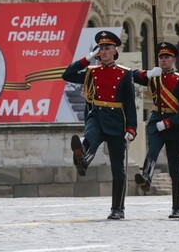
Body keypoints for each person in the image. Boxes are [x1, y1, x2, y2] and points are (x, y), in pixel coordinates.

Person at [62, 30, 137, 220]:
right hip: (96, 114)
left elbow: (129, 103)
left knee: (118, 168)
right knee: (90, 138)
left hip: (116, 119)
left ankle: (117, 208)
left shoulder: (125, 73)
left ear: (115, 51)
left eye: (107, 48)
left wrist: (131, 128)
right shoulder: (90, 71)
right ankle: (82, 156)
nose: (103, 51)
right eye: (101, 48)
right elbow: (67, 74)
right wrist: (87, 58)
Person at [132, 42, 179, 219]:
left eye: (166, 57)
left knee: (174, 168)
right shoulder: (154, 76)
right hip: (156, 119)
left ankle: (177, 207)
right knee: (153, 149)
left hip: (173, 125)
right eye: (161, 57)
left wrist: (168, 123)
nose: (163, 60)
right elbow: (132, 76)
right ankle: (147, 176)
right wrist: (148, 73)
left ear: (173, 60)